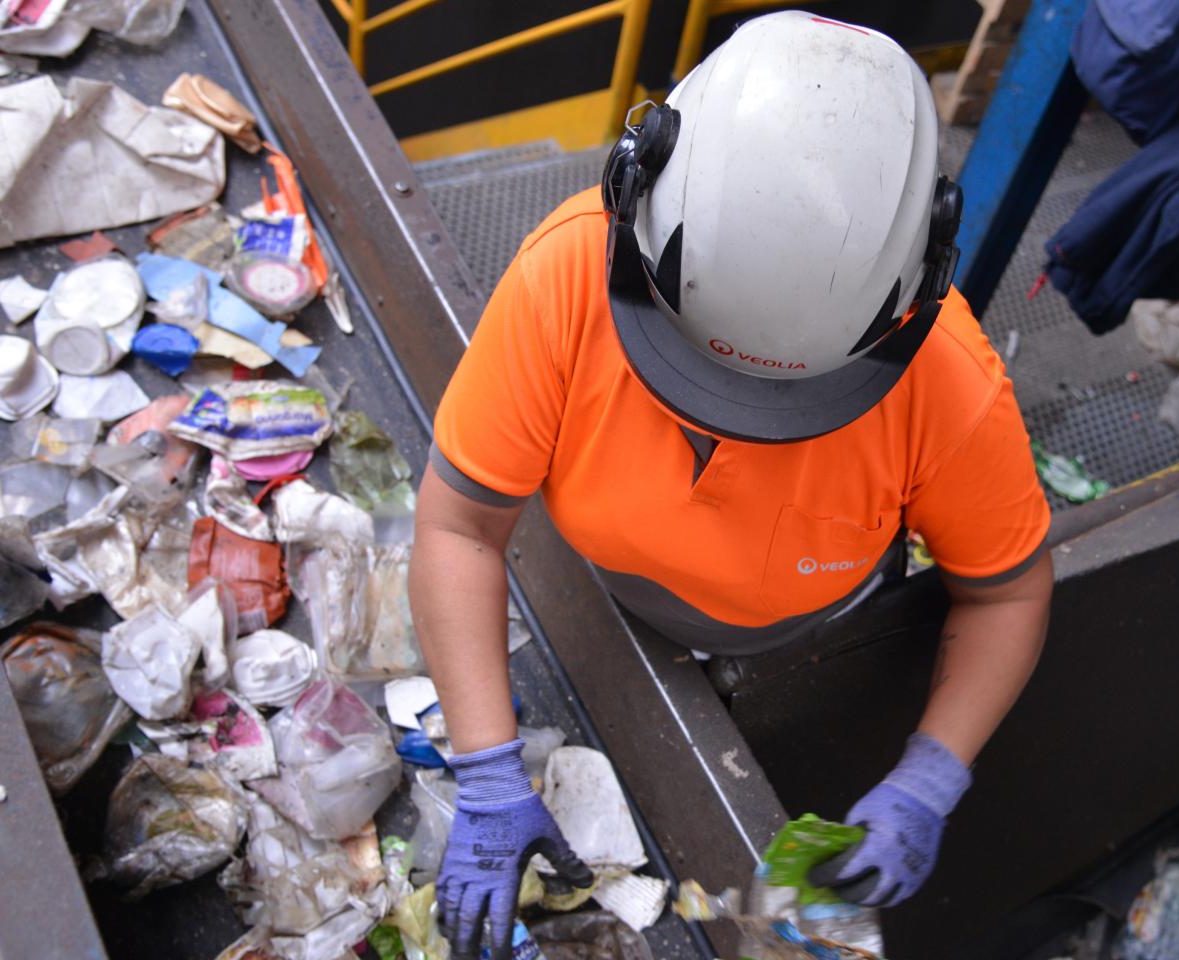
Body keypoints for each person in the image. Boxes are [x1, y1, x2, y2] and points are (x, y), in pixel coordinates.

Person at [410, 11, 1053, 958]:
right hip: (599, 592)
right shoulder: (567, 274)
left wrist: (930, 774)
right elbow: (461, 528)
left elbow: (1008, 592)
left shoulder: (948, 383)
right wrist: (490, 770)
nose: (721, 421)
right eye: (687, 366)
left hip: (808, 638)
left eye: (786, 401)